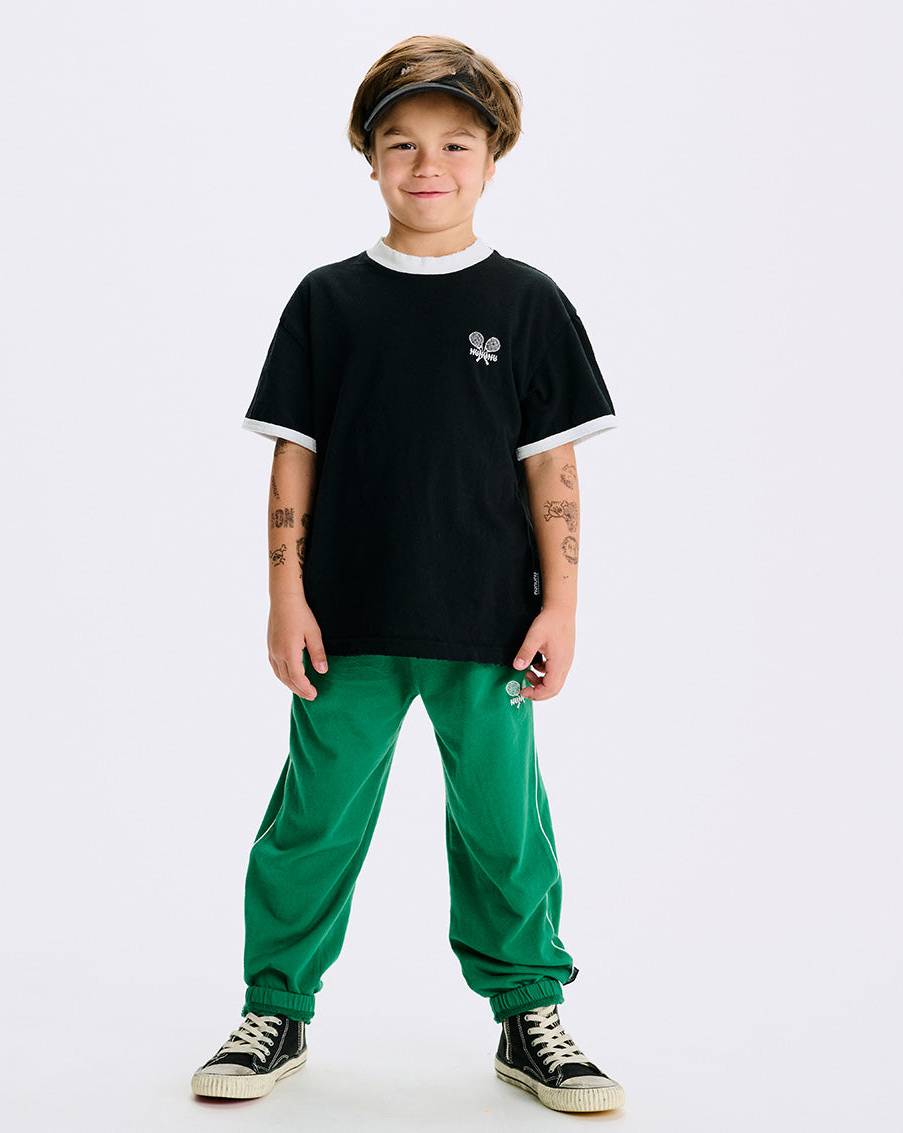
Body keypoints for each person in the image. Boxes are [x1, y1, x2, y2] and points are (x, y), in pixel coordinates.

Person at [190, 34, 625, 1114]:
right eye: (402, 143)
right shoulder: (329, 301)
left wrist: (564, 606)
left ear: (493, 158)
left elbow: (553, 470)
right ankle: (275, 1002)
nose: (428, 165)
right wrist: (286, 593)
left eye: (455, 143)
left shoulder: (527, 303)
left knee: (504, 825)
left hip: (489, 621)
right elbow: (294, 459)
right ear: (370, 157)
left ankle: (529, 1011)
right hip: (348, 619)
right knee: (313, 818)